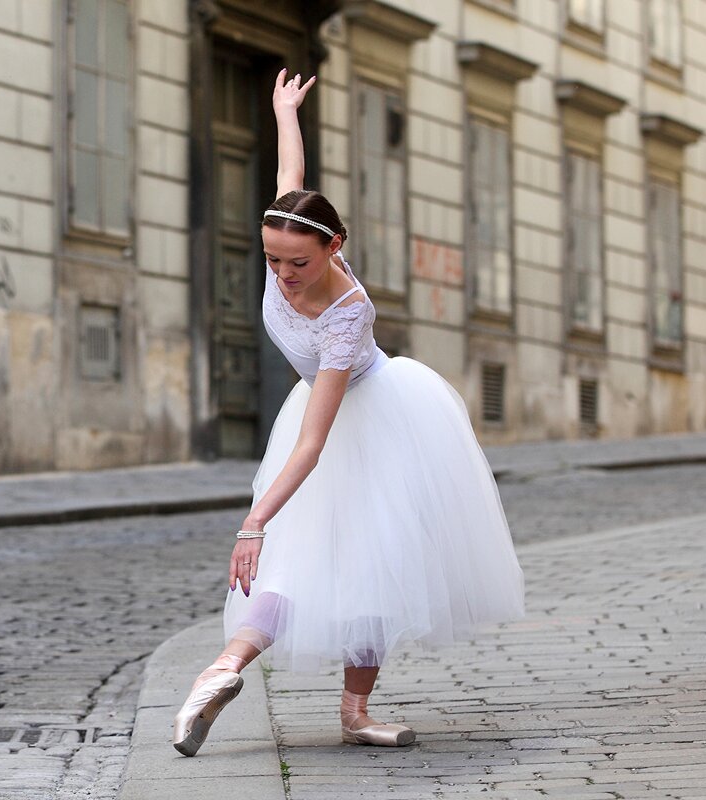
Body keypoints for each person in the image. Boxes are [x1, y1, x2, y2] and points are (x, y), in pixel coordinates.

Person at [171, 69, 526, 757]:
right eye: (272, 260)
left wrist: (254, 522)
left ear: (335, 247)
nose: (282, 276)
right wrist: (285, 113)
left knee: (375, 565)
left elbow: (313, 442)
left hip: (377, 418)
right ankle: (219, 673)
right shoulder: (291, 231)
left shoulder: (347, 313)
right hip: (321, 414)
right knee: (298, 563)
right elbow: (291, 176)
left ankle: (354, 713)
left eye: (296, 264)